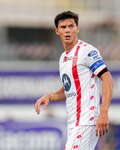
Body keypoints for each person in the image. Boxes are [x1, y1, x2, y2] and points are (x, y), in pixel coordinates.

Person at [35, 11, 114, 150]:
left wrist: (104, 112)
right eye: (63, 27)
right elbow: (69, 89)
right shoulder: (63, 58)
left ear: (77, 28)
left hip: (87, 121)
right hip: (73, 123)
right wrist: (51, 96)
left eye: (71, 26)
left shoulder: (87, 51)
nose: (67, 30)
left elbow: (108, 79)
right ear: (57, 31)